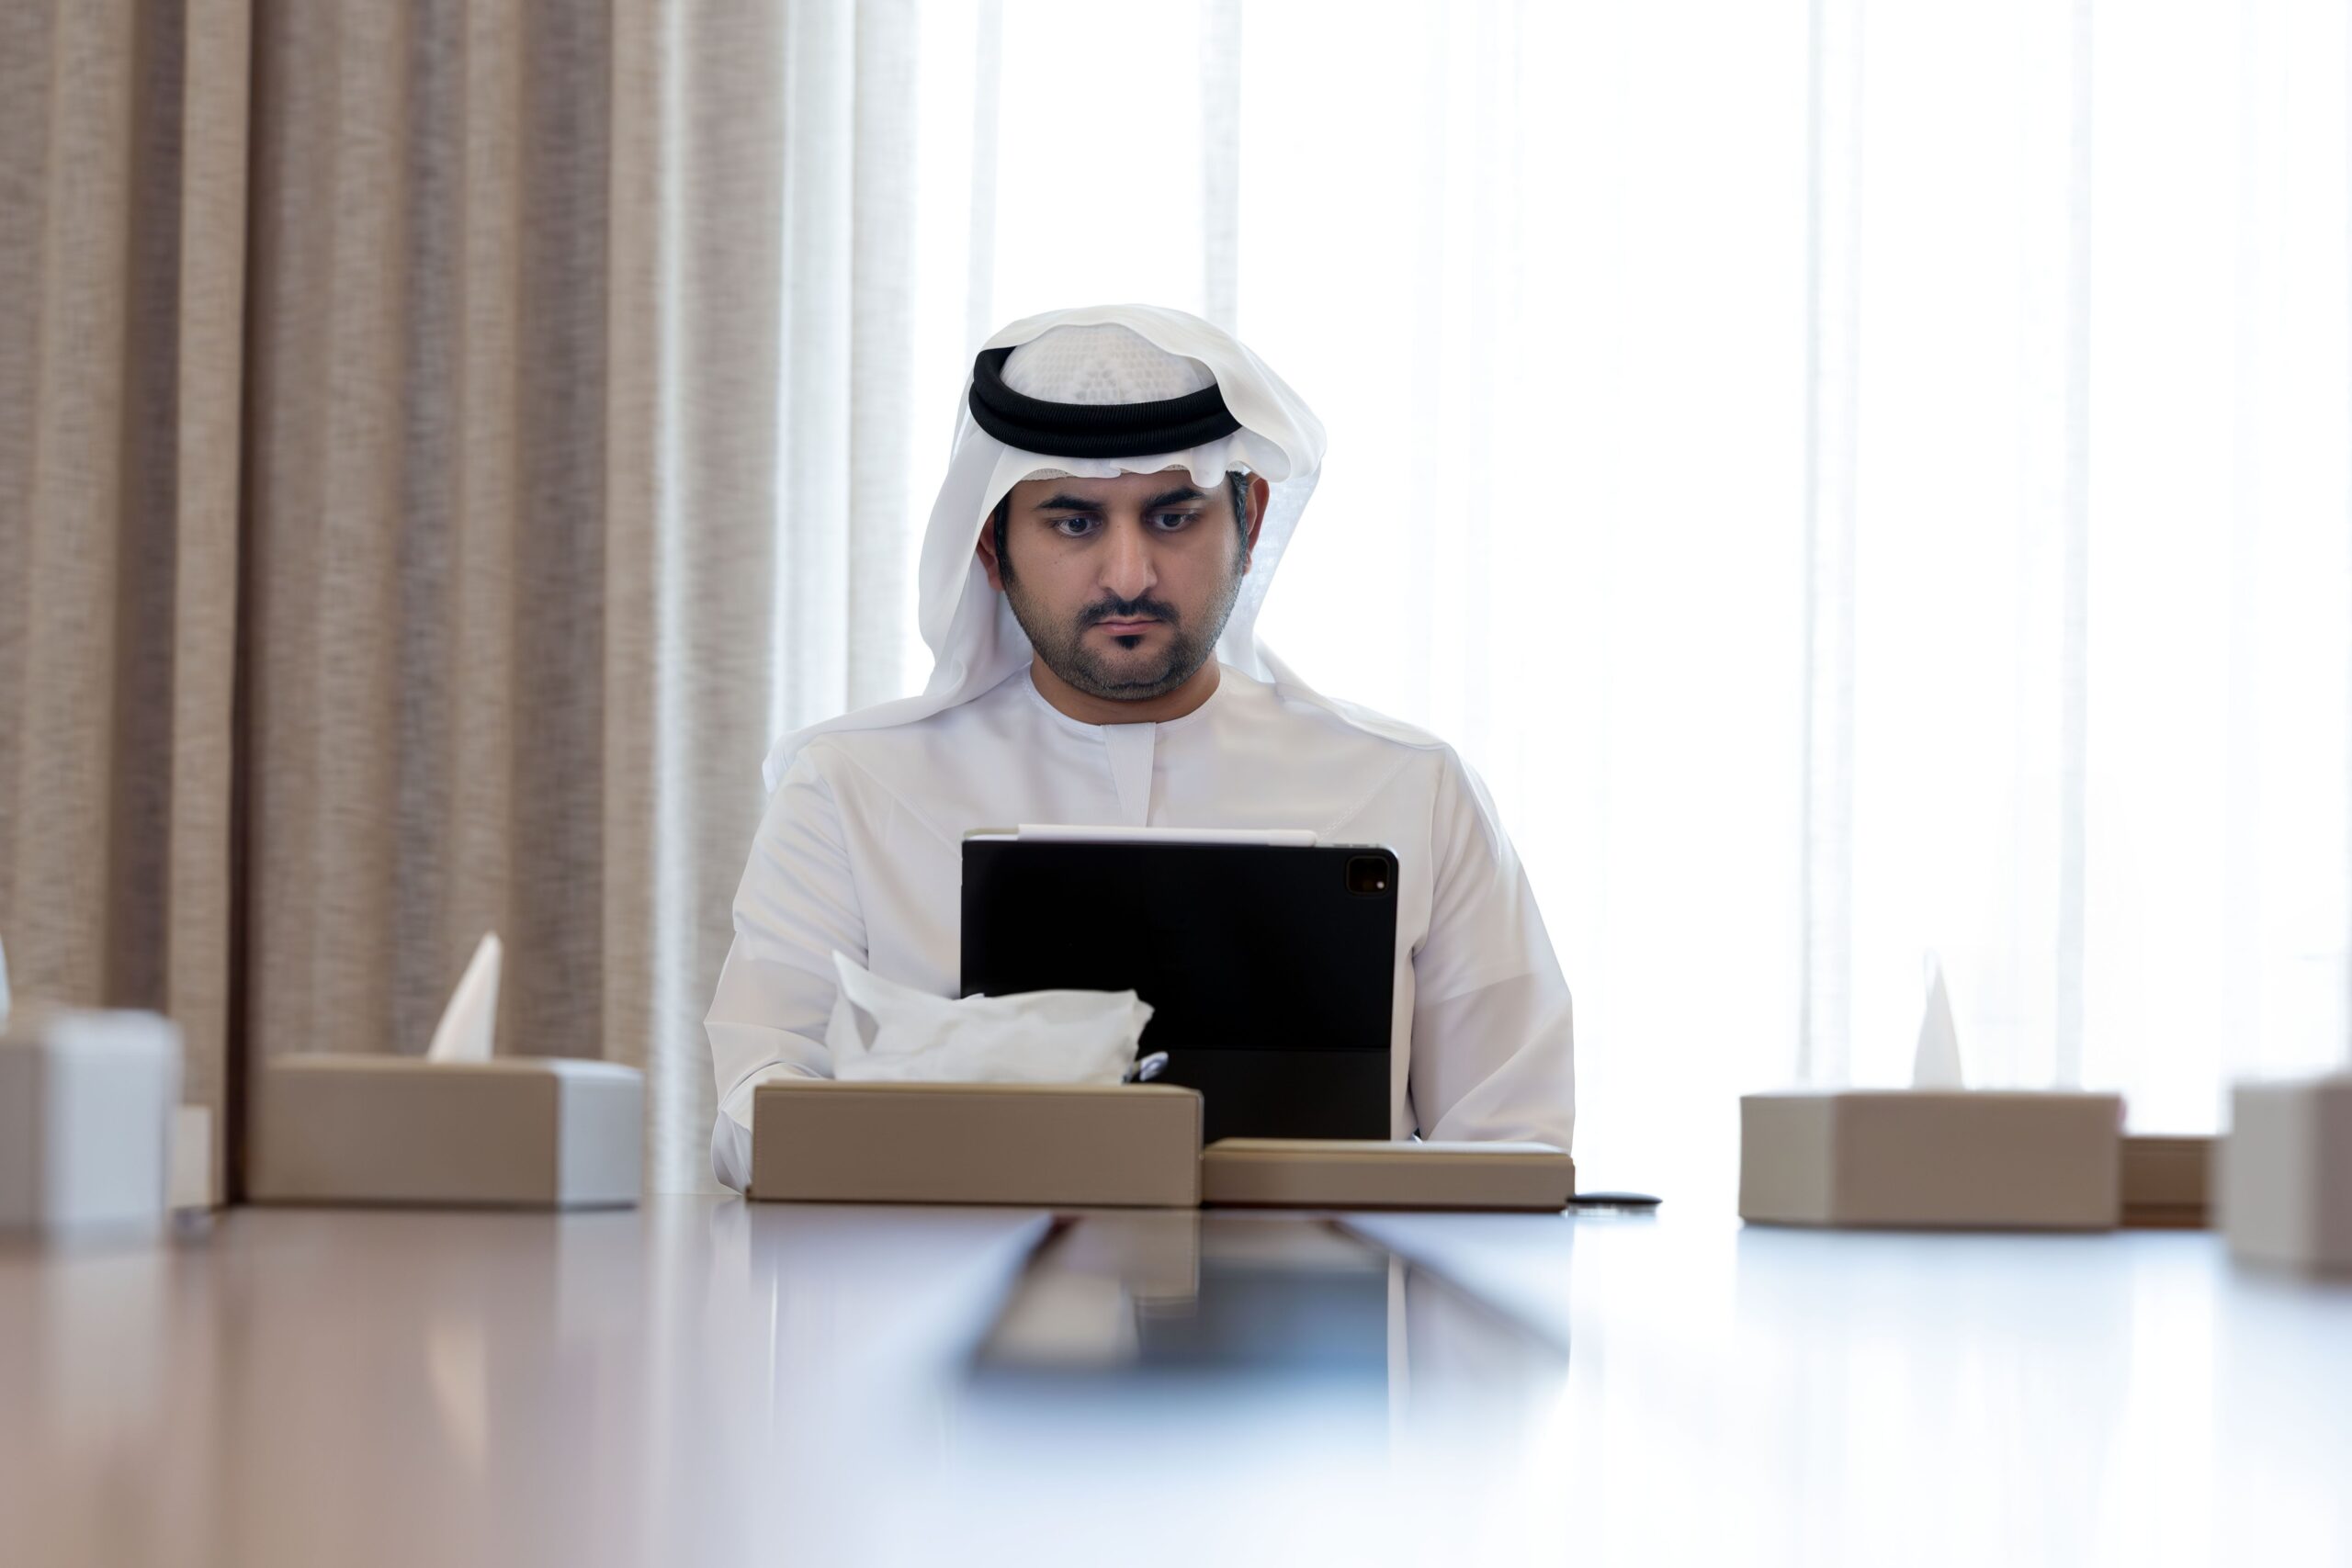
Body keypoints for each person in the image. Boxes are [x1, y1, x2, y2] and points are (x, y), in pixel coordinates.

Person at [705, 303, 1574, 1190]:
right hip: (945, 1275)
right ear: (992, 545)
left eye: (1172, 517)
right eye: (1074, 523)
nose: (1129, 576)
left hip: (1326, 1278)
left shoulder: (1413, 789)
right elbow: (753, 1119)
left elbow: (1515, 1151)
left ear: (1250, 521)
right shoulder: (850, 791)